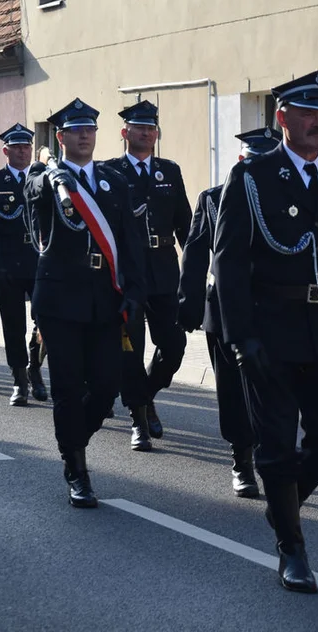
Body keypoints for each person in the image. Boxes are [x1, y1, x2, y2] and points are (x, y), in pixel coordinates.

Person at [213, 71, 318, 594]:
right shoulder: (253, 178)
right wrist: (242, 338)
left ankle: (284, 505)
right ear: (281, 118)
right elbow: (229, 261)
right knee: (278, 445)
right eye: (307, 113)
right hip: (271, 331)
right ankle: (292, 547)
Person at [24, 98, 146, 507]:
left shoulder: (114, 181)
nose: (84, 136)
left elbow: (130, 242)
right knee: (68, 386)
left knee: (106, 386)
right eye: (75, 130)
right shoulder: (44, 177)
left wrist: (133, 291)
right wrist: (52, 173)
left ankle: (74, 440)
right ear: (60, 137)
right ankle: (77, 467)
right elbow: (34, 191)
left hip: (104, 297)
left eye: (90, 129)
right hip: (59, 298)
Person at [179, 126, 282, 498]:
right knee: (233, 390)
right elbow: (194, 253)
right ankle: (241, 458)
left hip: (273, 309)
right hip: (223, 309)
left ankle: (272, 456)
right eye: (254, 161)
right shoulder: (214, 198)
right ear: (242, 161)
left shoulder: (287, 199)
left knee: (274, 386)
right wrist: (187, 307)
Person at [103, 100, 191, 450]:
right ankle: (138, 418)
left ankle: (147, 393)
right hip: (128, 275)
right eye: (139, 128)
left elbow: (185, 223)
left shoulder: (169, 171)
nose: (146, 133)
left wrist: (200, 268)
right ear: (125, 133)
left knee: (174, 345)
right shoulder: (110, 172)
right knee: (131, 349)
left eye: (151, 128)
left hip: (165, 271)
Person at [0, 123, 46, 406]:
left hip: (41, 263)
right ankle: (19, 379)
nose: (22, 151)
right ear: (6, 151)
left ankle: (34, 367)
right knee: (13, 325)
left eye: (26, 147)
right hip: (9, 264)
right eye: (17, 147)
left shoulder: (44, 177)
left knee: (46, 321)